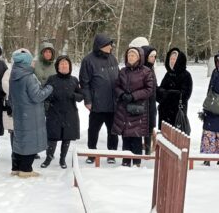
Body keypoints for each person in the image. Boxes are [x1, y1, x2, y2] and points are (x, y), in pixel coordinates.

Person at [9, 49, 53, 178]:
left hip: (19, 112)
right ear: (26, 63)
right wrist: (49, 88)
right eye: (32, 61)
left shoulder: (14, 75)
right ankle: (26, 170)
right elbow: (37, 96)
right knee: (30, 141)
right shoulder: (28, 77)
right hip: (31, 114)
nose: (34, 64)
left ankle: (16, 168)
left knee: (20, 140)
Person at [79, 34, 119, 164]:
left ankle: (111, 154)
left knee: (113, 130)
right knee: (93, 130)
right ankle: (92, 154)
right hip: (97, 103)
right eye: (109, 45)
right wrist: (88, 100)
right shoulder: (88, 60)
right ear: (101, 46)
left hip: (113, 103)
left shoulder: (113, 58)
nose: (111, 47)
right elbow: (84, 83)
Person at [112, 47, 154, 167]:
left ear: (139, 57)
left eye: (133, 55)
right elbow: (116, 86)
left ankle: (136, 164)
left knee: (136, 138)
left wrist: (134, 96)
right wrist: (122, 94)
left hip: (138, 110)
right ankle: (125, 163)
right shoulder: (123, 71)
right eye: (129, 55)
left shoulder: (146, 71)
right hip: (124, 110)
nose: (130, 57)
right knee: (126, 138)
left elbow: (149, 89)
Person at [41, 55, 83, 169]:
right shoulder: (52, 79)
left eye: (66, 64)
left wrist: (74, 95)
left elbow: (81, 96)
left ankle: (62, 159)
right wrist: (51, 96)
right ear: (57, 66)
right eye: (62, 64)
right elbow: (44, 94)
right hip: (54, 113)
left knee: (66, 137)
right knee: (52, 137)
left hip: (70, 113)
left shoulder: (74, 80)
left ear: (69, 66)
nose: (64, 66)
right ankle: (48, 158)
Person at [156, 48, 193, 129]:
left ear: (180, 60)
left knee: (176, 138)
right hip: (164, 114)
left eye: (174, 59)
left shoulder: (186, 75)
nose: (172, 61)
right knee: (164, 139)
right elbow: (160, 92)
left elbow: (185, 95)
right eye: (171, 59)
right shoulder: (168, 74)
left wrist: (168, 93)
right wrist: (159, 91)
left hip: (177, 114)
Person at [32, 42, 56, 160]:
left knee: (49, 125)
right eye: (45, 51)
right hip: (37, 98)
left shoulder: (56, 65)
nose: (48, 54)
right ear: (42, 53)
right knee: (36, 125)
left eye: (50, 52)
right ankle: (35, 149)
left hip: (51, 99)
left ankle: (49, 149)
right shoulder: (35, 64)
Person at [141, 46, 157, 155]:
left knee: (150, 127)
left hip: (151, 103)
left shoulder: (151, 68)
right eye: (151, 56)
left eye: (154, 56)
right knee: (143, 126)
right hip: (143, 103)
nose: (153, 59)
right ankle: (142, 150)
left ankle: (147, 150)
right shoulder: (141, 69)